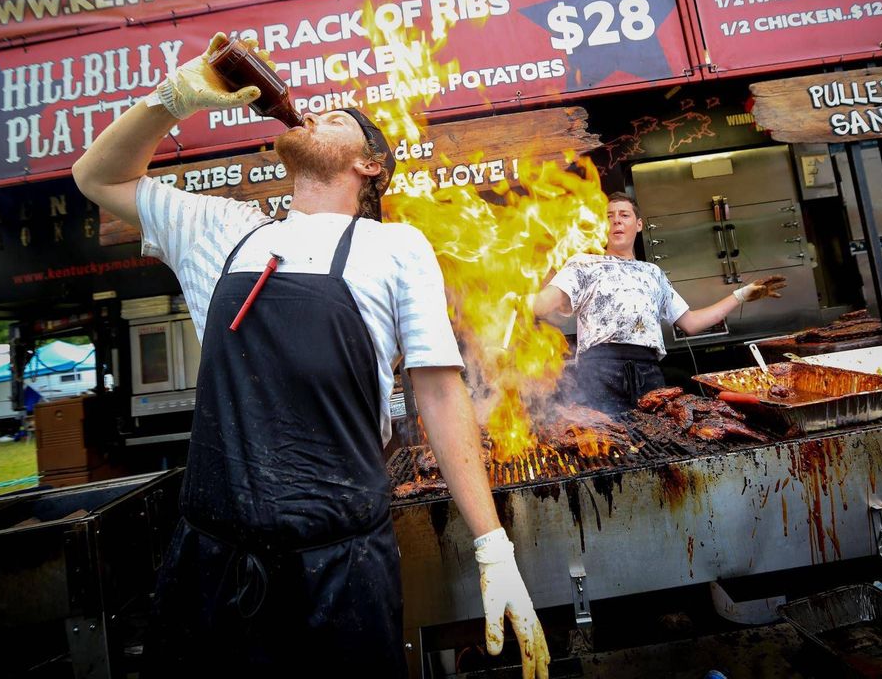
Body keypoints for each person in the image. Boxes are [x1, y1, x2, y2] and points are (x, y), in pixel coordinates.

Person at [72, 34, 548, 677]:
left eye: (342, 120)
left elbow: (439, 392)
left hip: (342, 570)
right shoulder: (221, 230)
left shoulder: (396, 249)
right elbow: (94, 176)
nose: (318, 112)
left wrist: (492, 545)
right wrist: (173, 98)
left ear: (371, 165)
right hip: (214, 566)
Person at [532, 192, 786, 414]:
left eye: (624, 215)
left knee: (656, 443)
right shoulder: (583, 264)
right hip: (598, 373)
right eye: (609, 216)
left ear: (639, 224)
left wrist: (740, 295)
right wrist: (515, 296)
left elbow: (691, 323)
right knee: (607, 450)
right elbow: (543, 304)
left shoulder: (652, 273)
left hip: (648, 372)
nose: (616, 220)